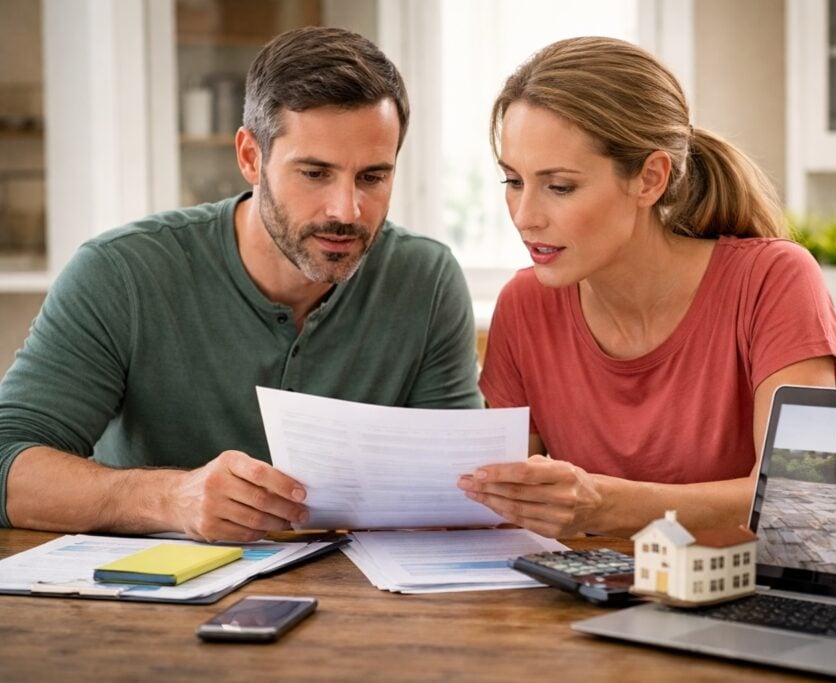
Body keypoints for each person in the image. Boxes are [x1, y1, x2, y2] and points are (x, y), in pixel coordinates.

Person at [0, 27, 481, 543]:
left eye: (372, 177)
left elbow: (458, 490)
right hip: (152, 601)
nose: (347, 210)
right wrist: (170, 499)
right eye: (315, 174)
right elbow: (8, 459)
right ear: (251, 157)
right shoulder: (122, 273)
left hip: (361, 601)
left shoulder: (425, 279)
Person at [458, 37, 836, 539]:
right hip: (578, 604)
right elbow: (510, 512)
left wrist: (607, 507)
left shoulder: (772, 280)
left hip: (747, 601)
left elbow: (801, 496)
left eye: (559, 187)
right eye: (513, 182)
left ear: (649, 179)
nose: (524, 216)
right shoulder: (525, 305)